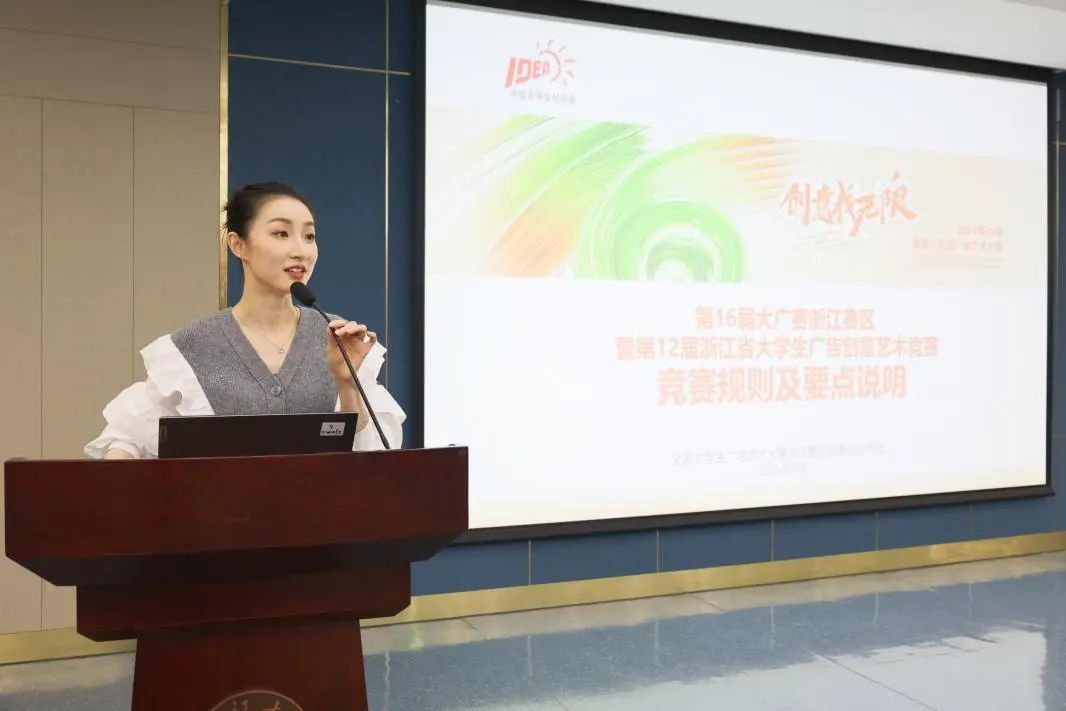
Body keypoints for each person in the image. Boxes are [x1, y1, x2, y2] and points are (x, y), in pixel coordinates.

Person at [85, 182, 404, 458]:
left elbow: (372, 458)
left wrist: (347, 383)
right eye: (281, 233)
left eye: (309, 236)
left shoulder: (340, 337)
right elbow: (126, 437)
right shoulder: (193, 345)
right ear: (238, 245)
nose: (301, 250)